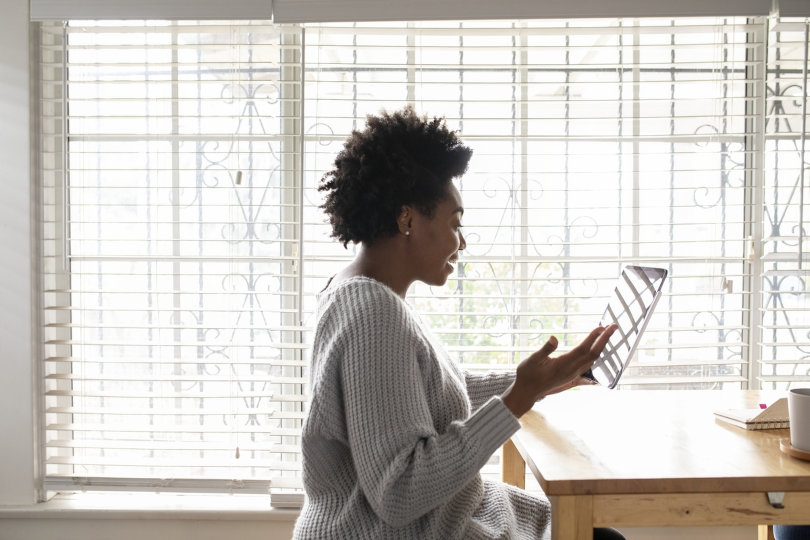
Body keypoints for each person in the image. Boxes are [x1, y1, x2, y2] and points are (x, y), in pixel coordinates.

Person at [293, 106, 622, 540]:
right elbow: (399, 492)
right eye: (455, 223)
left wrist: (537, 383)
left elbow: (420, 398)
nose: (461, 242)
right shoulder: (373, 314)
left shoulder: (360, 291)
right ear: (406, 219)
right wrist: (517, 398)